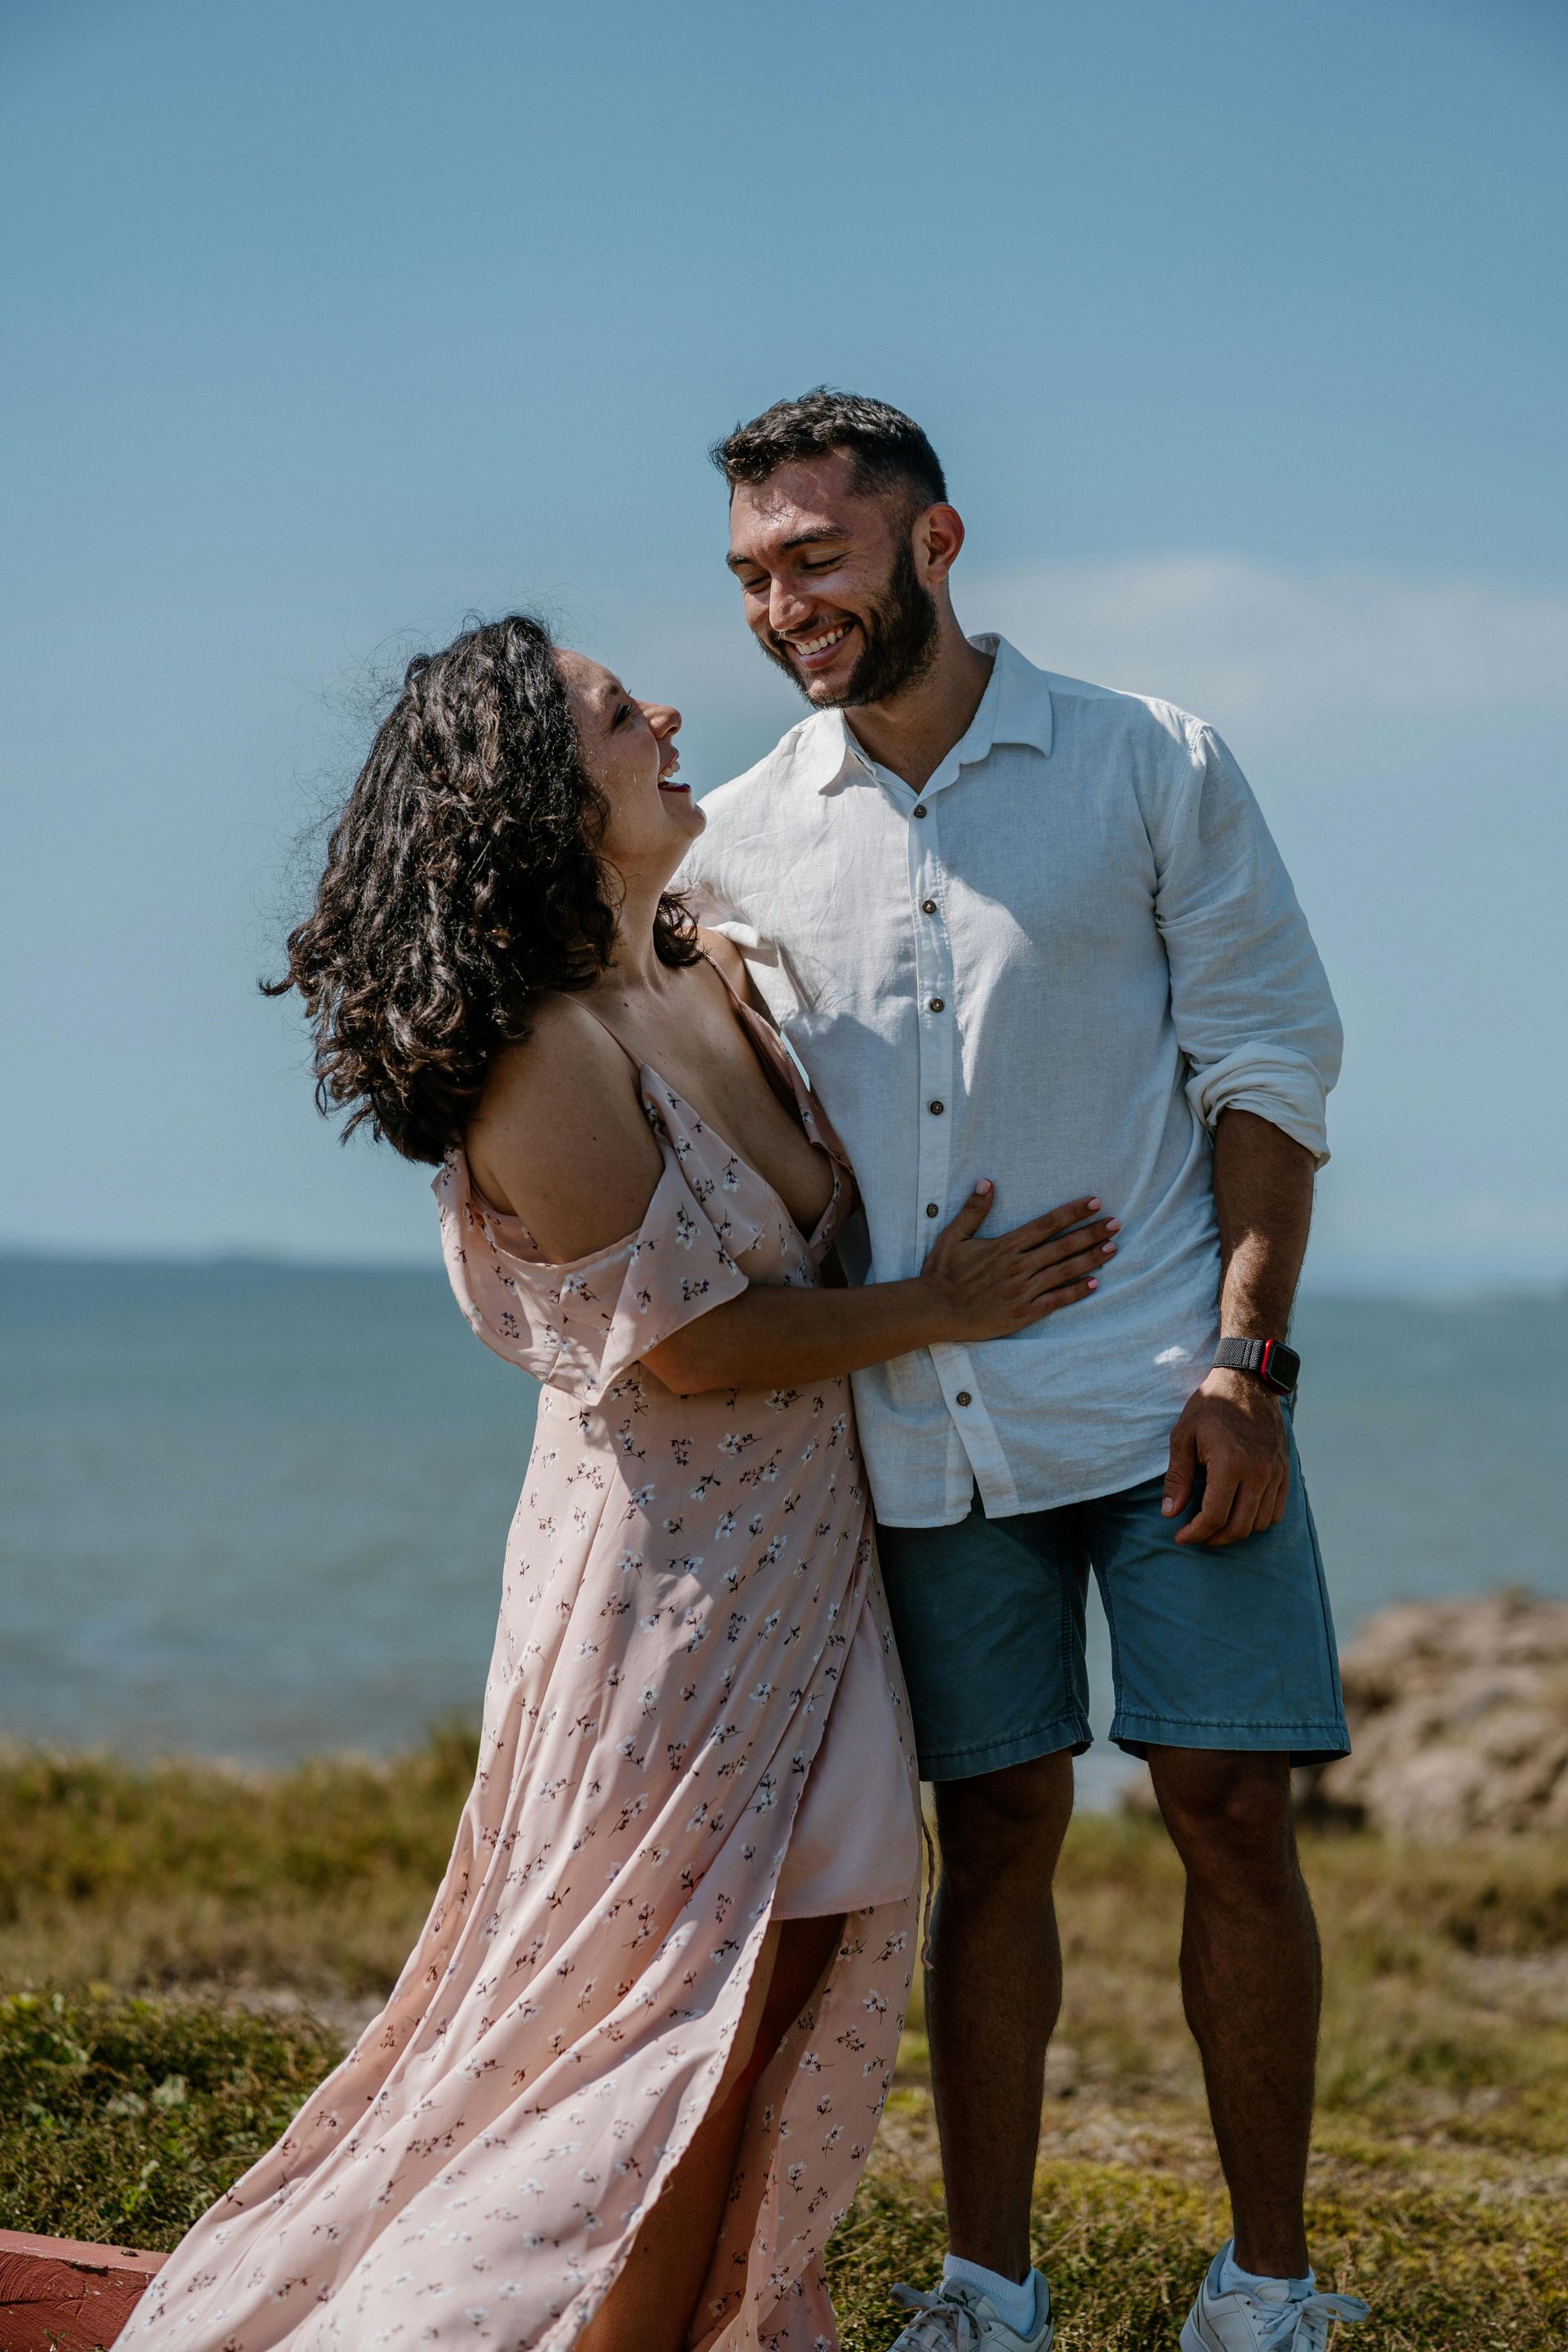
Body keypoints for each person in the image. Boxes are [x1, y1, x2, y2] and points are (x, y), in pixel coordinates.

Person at [119, 614, 1112, 2352]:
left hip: (807, 1573)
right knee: (658, 2038)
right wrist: (941, 1309)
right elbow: (685, 1349)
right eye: (609, 710)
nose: (667, 713)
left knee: (766, 2010)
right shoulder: (540, 1048)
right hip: (666, 1602)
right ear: (522, 785)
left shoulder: (703, 961)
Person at [679, 390, 1370, 2352]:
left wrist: (1249, 1360)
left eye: (817, 555)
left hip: (1171, 1396)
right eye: (751, 573)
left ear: (934, 541)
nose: (785, 604)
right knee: (993, 1837)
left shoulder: (1150, 762)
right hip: (920, 1437)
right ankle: (992, 2292)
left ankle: (1270, 2293)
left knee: (1230, 1808)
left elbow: (1268, 1068)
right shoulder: (733, 846)